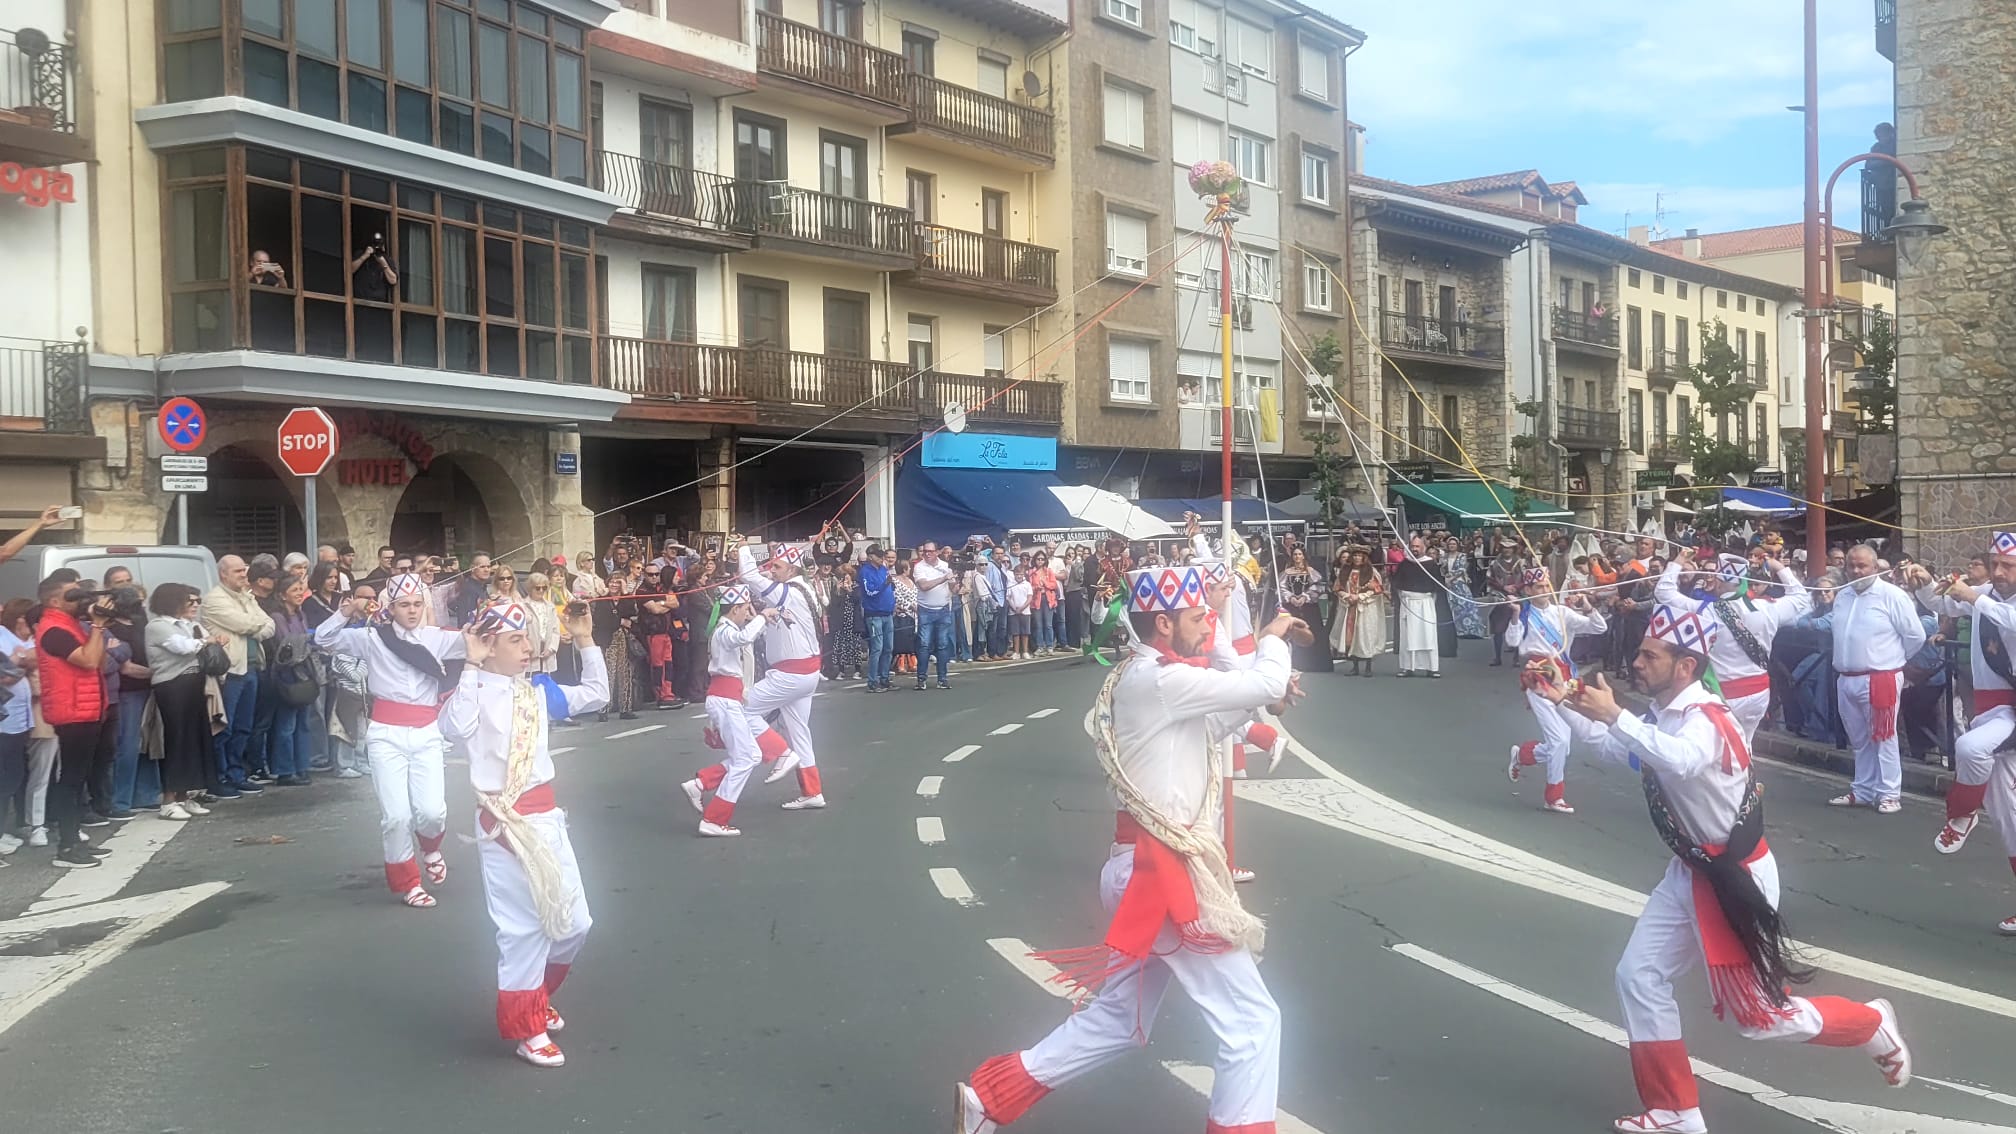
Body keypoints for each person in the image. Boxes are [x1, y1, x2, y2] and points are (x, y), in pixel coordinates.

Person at [953, 564, 1303, 1134]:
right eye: (1198, 618)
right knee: (1253, 1022)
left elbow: (1220, 723)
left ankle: (991, 1101)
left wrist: (1260, 688)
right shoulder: (1160, 680)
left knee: (1120, 1020)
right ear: (1162, 622)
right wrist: (1271, 639)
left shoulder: (1145, 679)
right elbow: (1257, 685)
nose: (1208, 625)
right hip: (1161, 874)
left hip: (1141, 868)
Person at [1542, 604, 1911, 1134]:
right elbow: (1619, 748)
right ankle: (1675, 1110)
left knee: (1759, 1021)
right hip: (1692, 871)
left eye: (1650, 654)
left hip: (1732, 878)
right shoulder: (1665, 717)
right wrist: (1569, 702)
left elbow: (1680, 760)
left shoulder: (1707, 719)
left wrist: (1614, 714)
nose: (1637, 661)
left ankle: (1872, 1023)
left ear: (1686, 666)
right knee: (1638, 976)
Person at [441, 598, 605, 1069]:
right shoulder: (471, 692)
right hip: (503, 823)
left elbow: (596, 694)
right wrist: (469, 665)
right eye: (516, 640)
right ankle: (526, 1029)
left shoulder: (536, 691)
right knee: (523, 930)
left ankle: (535, 998)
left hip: (547, 819)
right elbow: (455, 727)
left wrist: (585, 638)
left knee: (576, 923)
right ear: (488, 646)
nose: (528, 648)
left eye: (528, 638)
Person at [315, 574, 469, 907]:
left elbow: (479, 642)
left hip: (427, 733)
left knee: (432, 812)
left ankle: (429, 848)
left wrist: (492, 615)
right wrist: (347, 611)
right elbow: (324, 640)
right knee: (396, 816)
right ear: (390, 607)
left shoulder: (437, 637)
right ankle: (408, 882)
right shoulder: (371, 637)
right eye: (404, 605)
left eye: (417, 604)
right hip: (386, 734)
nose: (412, 611)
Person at [1910, 543, 2016, 890]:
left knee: (1970, 748)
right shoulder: (1986, 594)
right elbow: (1942, 604)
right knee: (2008, 819)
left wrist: (1972, 598)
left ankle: (1963, 813)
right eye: (1995, 564)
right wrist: (1925, 583)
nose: (1999, 573)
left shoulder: (1985, 599)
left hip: (2012, 710)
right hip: (1990, 712)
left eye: (2008, 566)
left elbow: (2008, 620)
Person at [1655, 547, 1811, 744]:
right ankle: (1746, 774)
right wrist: (1779, 567)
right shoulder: (1768, 608)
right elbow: (1802, 598)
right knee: (1745, 746)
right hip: (1759, 693)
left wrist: (1679, 560)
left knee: (1721, 750)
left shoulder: (1705, 610)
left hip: (1724, 694)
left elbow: (1663, 592)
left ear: (1719, 581)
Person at [681, 585, 793, 836]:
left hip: (729, 698)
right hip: (725, 699)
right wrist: (763, 616)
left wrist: (763, 620)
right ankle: (713, 818)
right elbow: (742, 639)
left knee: (751, 755)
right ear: (735, 609)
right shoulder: (725, 631)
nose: (747, 614)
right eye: (744, 609)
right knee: (746, 758)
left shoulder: (726, 628)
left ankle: (702, 784)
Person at [1826, 545, 1926, 814]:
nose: (1856, 571)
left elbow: (1915, 635)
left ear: (1875, 568)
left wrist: (1893, 660)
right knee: (1858, 739)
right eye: (1851, 566)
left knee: (1884, 737)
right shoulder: (1843, 595)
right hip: (1846, 678)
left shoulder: (1891, 595)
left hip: (1880, 677)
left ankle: (1890, 793)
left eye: (1862, 566)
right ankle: (1863, 789)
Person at [1504, 568, 1610, 814]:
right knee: (1560, 740)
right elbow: (1512, 641)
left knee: (1563, 745)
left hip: (1566, 678)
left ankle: (1523, 755)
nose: (1544, 591)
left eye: (1546, 586)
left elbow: (1599, 628)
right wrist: (1516, 615)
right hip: (1538, 677)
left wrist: (1588, 608)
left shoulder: (1563, 613)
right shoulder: (1526, 614)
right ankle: (1553, 796)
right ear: (1528, 591)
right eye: (1539, 588)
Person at [32, 576, 117, 868]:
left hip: (86, 710)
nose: (81, 599)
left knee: (77, 778)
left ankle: (75, 841)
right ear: (54, 601)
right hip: (72, 713)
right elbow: (89, 661)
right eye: (73, 595)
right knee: (70, 780)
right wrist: (97, 626)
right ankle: (67, 848)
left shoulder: (69, 626)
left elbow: (100, 661)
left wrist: (99, 627)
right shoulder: (53, 630)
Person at [735, 540, 827, 810]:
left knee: (741, 709)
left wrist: (742, 549)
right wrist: (770, 573)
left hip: (790, 674)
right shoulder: (802, 588)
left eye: (777, 567)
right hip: (806, 673)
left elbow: (750, 577)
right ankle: (812, 792)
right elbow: (763, 579)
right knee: (800, 733)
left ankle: (779, 752)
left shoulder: (788, 593)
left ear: (792, 570)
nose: (772, 570)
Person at [144, 584, 221, 820]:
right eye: (190, 601)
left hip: (193, 683)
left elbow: (206, 639)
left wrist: (207, 639)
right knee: (176, 740)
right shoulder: (157, 626)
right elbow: (184, 648)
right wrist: (208, 641)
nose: (195, 605)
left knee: (194, 740)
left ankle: (185, 795)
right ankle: (168, 800)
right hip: (172, 685)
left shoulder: (188, 624)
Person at [1392, 536, 1445, 678]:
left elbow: (1438, 586)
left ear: (1424, 548)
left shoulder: (1431, 564)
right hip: (1408, 604)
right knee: (1407, 637)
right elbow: (1396, 583)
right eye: (1413, 546)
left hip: (1425, 604)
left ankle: (1431, 668)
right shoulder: (1405, 563)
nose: (1414, 549)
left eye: (1417, 546)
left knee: (1428, 635)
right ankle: (1407, 667)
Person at [1333, 545, 1386, 676]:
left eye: (1359, 556)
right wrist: (1346, 596)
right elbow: (1338, 587)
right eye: (1355, 555)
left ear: (1364, 557)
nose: (1357, 558)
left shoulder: (1371, 572)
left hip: (1365, 608)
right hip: (1349, 607)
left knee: (1365, 635)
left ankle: (1368, 666)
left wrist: (1360, 596)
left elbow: (1377, 589)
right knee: (1351, 637)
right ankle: (1354, 666)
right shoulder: (1345, 571)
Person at [912, 541, 957, 689]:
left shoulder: (944, 566)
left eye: (930, 551)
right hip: (926, 609)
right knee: (924, 645)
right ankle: (921, 679)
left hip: (943, 609)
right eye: (925, 551)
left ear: (937, 552)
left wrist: (953, 581)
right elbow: (924, 586)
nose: (927, 554)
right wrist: (943, 578)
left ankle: (942, 679)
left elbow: (953, 588)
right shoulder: (919, 567)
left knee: (943, 645)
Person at [1277, 547, 1329, 673]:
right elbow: (1281, 587)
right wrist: (1291, 597)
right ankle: (1294, 662)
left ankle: (1314, 664)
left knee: (1312, 631)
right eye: (1295, 554)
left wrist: (1305, 597)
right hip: (1291, 606)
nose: (1297, 557)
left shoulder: (1311, 572)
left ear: (1304, 556)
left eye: (1300, 554)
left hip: (1309, 607)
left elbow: (1317, 586)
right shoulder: (1287, 572)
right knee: (1292, 632)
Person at [1485, 539, 1526, 666]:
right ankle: (1497, 657)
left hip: (1518, 596)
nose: (1506, 550)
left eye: (1509, 548)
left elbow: (1527, 578)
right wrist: (1504, 588)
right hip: (1500, 597)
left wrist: (1517, 587)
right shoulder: (1494, 563)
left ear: (1514, 549)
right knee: (1498, 628)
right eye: (1504, 548)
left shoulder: (1521, 562)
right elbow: (1490, 579)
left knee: (1518, 626)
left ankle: (1516, 658)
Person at [1444, 536, 1487, 639]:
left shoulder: (1462, 556)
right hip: (1447, 584)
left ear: (1457, 545)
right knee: (1453, 608)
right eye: (1450, 544)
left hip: (1459, 584)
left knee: (1465, 606)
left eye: (1454, 544)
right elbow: (1442, 568)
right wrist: (1445, 578)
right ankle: (1458, 631)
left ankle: (1472, 629)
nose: (1452, 546)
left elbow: (1462, 569)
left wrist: (1451, 578)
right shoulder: (1445, 556)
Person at [827, 564, 864, 681]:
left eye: (846, 575)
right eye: (842, 576)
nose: (844, 578)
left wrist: (850, 591)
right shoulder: (836, 588)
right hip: (841, 621)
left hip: (854, 620)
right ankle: (841, 670)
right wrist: (837, 592)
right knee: (840, 646)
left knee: (855, 646)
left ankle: (858, 670)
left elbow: (858, 601)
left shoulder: (857, 586)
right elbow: (833, 605)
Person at [893, 561, 919, 676]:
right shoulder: (895, 581)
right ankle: (901, 662)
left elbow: (915, 595)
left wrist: (916, 607)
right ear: (904, 569)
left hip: (913, 615)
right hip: (901, 614)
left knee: (911, 637)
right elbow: (896, 596)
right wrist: (909, 606)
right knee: (902, 638)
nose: (910, 570)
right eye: (908, 568)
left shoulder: (910, 581)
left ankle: (912, 661)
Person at [1004, 565, 1033, 660]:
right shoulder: (1011, 584)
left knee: (1025, 632)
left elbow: (1029, 597)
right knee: (1015, 633)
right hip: (1013, 612)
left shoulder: (1027, 584)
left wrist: (1022, 608)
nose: (1019, 576)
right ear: (1014, 574)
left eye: (1021, 574)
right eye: (1017, 574)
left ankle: (1025, 651)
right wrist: (1014, 608)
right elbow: (1008, 598)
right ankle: (1016, 652)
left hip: (1025, 611)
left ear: (1024, 574)